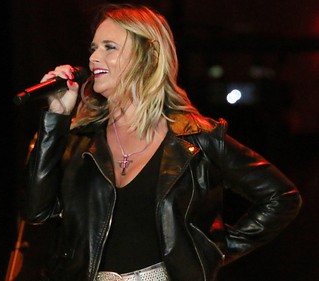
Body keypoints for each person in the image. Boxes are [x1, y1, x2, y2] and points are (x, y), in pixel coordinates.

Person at [22, 3, 302, 281]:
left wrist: (209, 251)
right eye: (94, 48)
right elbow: (35, 211)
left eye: (110, 47)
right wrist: (55, 118)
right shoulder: (78, 137)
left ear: (150, 56)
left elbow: (281, 197)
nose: (94, 57)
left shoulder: (196, 139)